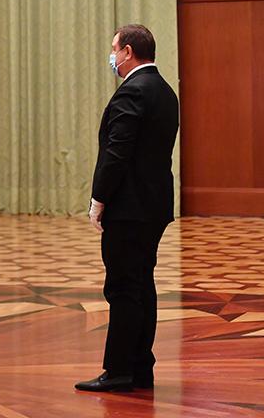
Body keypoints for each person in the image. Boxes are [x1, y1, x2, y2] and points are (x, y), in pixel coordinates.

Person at [75, 24, 179, 392]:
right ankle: (140, 367)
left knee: (122, 288)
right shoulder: (164, 90)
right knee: (141, 285)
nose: (112, 56)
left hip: (129, 208)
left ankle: (119, 370)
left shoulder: (133, 91)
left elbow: (117, 153)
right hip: (153, 205)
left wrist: (98, 199)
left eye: (114, 49)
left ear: (129, 52)